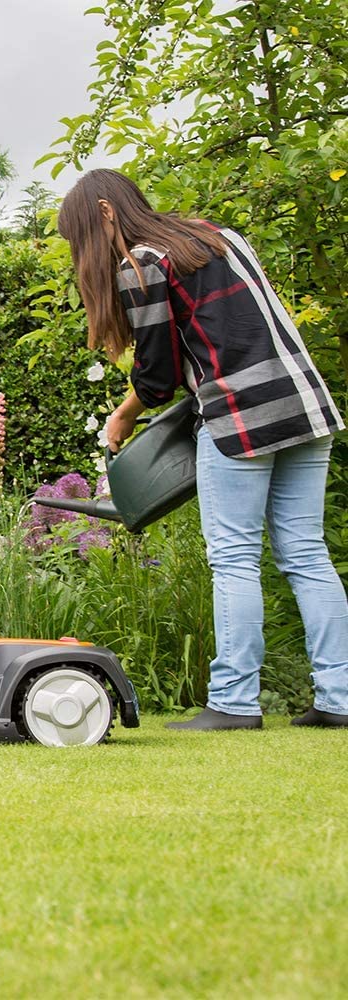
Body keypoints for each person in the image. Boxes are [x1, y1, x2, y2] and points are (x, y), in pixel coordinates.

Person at [57, 168, 347, 730]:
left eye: (84, 235)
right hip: (306, 406)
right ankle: (339, 698)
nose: (86, 252)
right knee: (307, 555)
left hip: (239, 419)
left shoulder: (143, 263)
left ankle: (234, 703)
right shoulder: (217, 236)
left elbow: (157, 375)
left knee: (234, 557)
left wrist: (122, 415)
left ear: (105, 211)